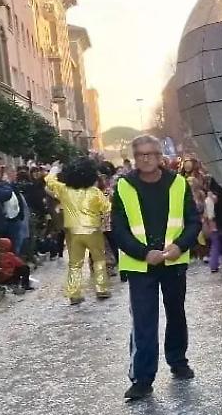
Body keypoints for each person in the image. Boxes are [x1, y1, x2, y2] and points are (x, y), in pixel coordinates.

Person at [111, 135, 202, 400]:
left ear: (160, 156)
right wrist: (143, 252)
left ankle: (178, 360)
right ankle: (142, 378)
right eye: (141, 155)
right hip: (140, 266)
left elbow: (192, 221)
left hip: (173, 262)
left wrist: (180, 246)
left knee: (176, 314)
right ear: (135, 158)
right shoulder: (124, 186)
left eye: (151, 153)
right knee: (143, 321)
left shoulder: (178, 183)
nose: (146, 158)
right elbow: (118, 228)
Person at [46, 157, 112, 305]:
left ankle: (74, 293)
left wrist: (54, 169)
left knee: (75, 264)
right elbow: (107, 208)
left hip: (73, 232)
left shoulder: (64, 190)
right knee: (99, 260)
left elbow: (50, 181)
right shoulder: (94, 192)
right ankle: (101, 288)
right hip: (93, 230)